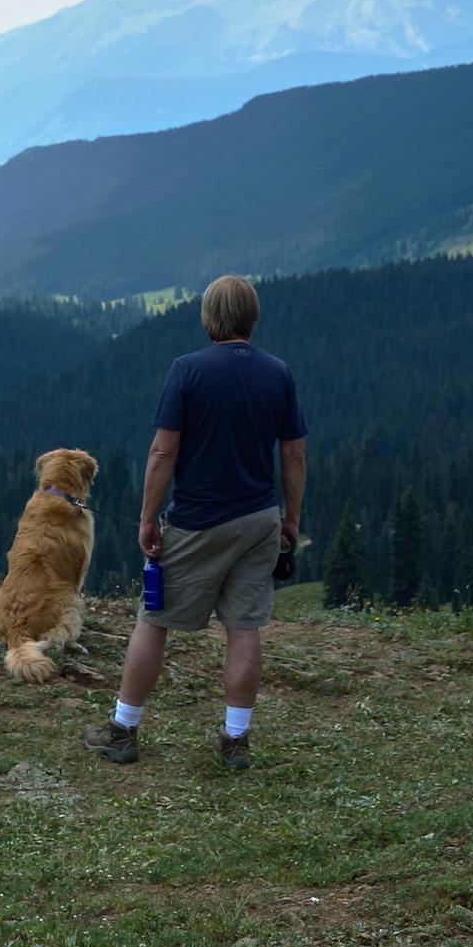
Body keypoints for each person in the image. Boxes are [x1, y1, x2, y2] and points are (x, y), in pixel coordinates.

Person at [83, 274, 307, 770]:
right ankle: (235, 739)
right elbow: (294, 455)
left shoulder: (187, 371)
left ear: (208, 317)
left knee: (154, 620)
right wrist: (290, 519)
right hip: (259, 519)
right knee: (244, 628)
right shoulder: (280, 373)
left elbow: (164, 451)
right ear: (253, 317)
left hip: (199, 519)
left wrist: (147, 519)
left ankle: (123, 730)